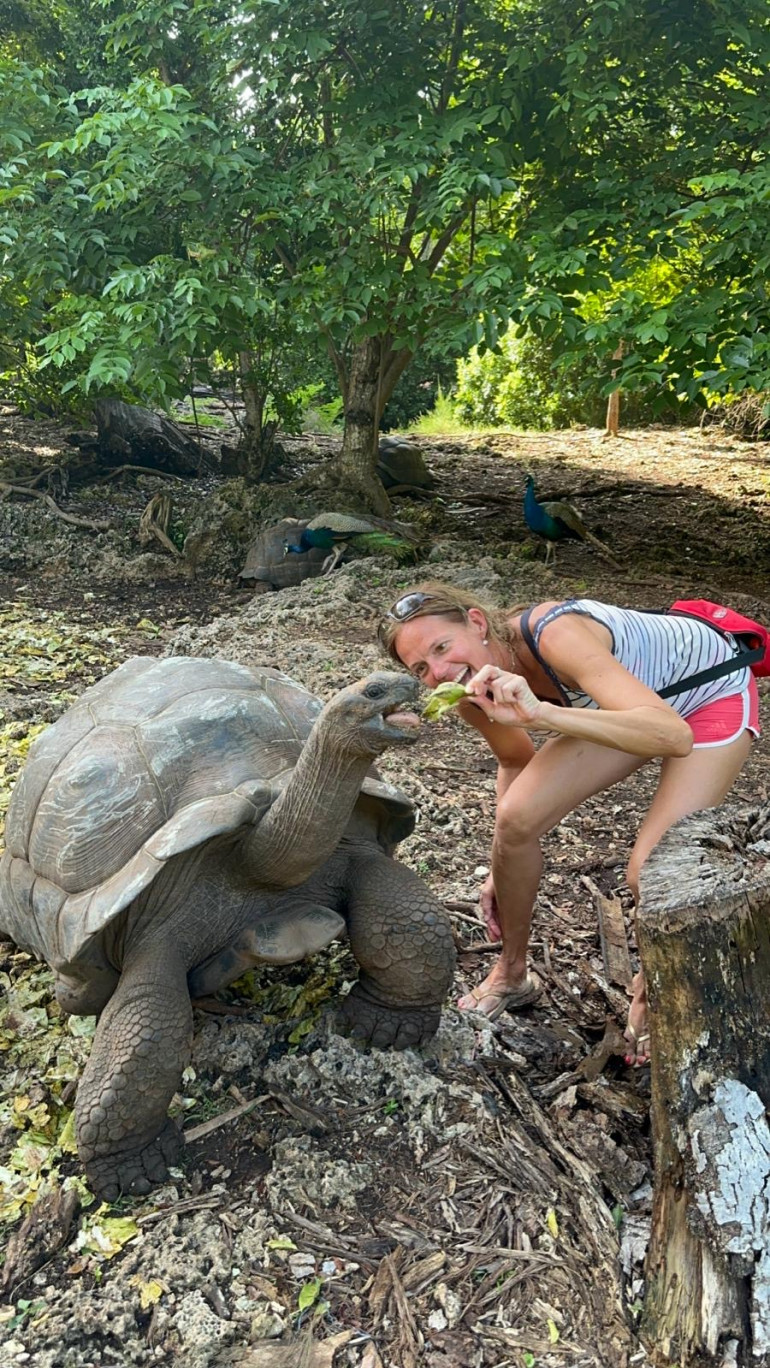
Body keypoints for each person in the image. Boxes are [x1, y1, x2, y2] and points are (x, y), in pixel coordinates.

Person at [377, 582, 760, 1064]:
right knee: (515, 821)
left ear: (476, 623)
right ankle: (512, 971)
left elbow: (670, 735)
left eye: (440, 647)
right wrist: (502, 862)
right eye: (420, 668)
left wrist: (542, 713)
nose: (438, 672)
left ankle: (654, 990)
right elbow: (514, 763)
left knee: (651, 872)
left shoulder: (555, 635)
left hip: (706, 694)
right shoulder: (467, 693)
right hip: (628, 707)